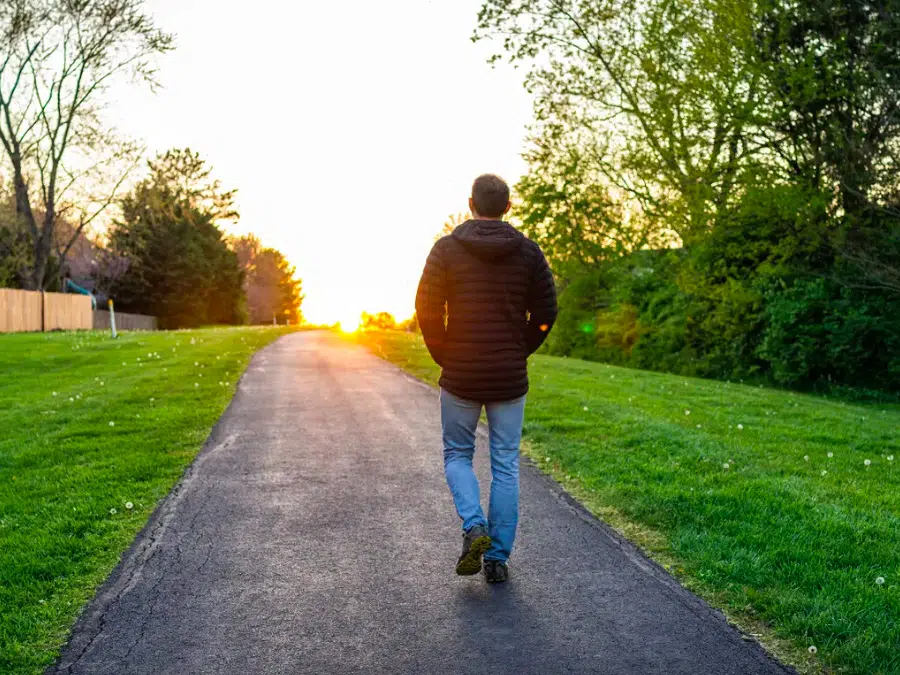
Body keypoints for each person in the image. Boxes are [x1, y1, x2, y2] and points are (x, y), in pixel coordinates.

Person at [415, 174, 558, 583]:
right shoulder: (529, 252)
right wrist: (519, 349)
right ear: (507, 207)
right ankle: (496, 559)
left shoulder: (445, 249)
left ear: (470, 204)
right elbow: (546, 313)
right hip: (508, 377)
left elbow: (426, 308)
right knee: (505, 464)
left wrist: (444, 353)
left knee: (457, 454)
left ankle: (474, 524)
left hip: (461, 372)